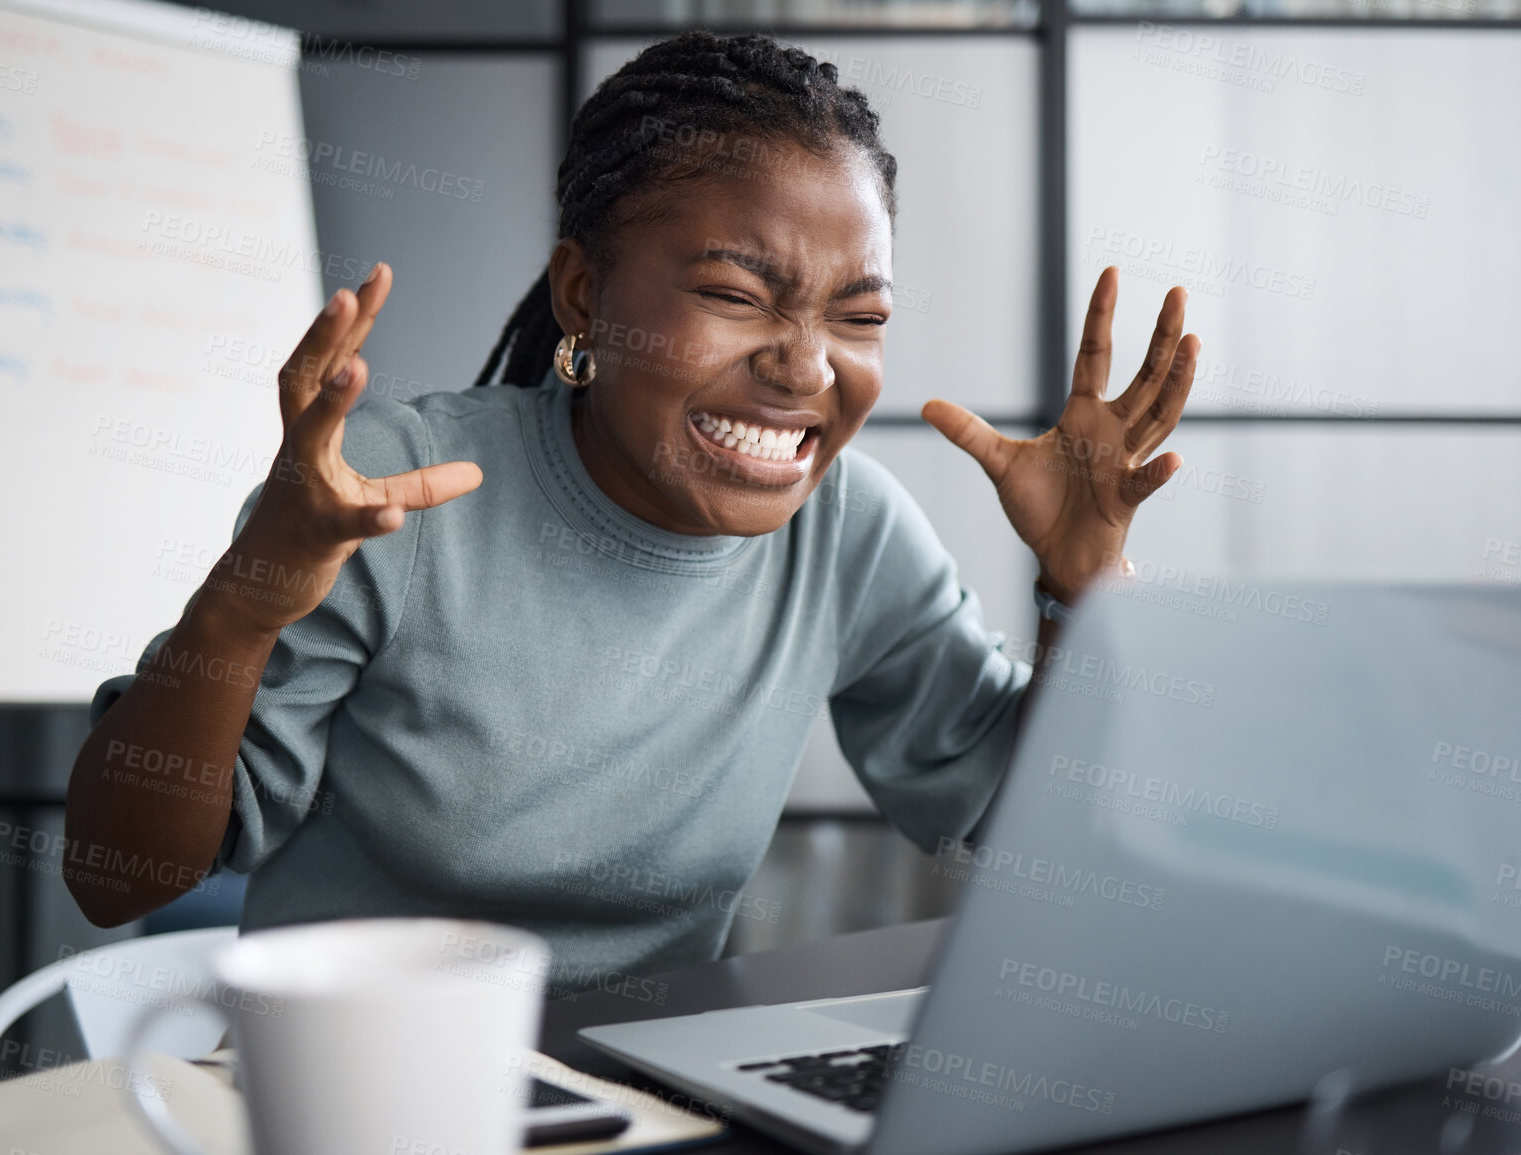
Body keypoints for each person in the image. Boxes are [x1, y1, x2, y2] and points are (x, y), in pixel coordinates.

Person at [64, 32, 1198, 992]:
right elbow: (117, 878)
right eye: (734, 296)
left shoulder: (847, 530)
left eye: (860, 316)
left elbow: (1026, 833)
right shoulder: (383, 494)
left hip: (651, 1102)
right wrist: (241, 604)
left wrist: (1084, 594)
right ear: (583, 296)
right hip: (365, 1094)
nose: (807, 367)